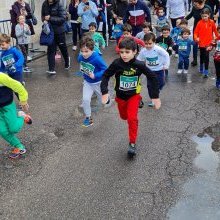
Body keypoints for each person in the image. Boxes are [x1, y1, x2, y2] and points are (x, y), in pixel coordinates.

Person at [101, 38, 161, 157]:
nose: (124, 55)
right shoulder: (117, 63)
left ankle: (132, 144)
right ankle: (138, 102)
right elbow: (106, 75)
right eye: (121, 52)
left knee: (131, 119)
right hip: (120, 96)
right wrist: (104, 92)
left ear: (134, 52)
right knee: (124, 117)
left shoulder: (139, 65)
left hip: (133, 95)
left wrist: (155, 96)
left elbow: (153, 77)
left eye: (127, 52)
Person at [0, 72, 32, 159]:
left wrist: (23, 101)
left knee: (13, 128)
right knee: (2, 131)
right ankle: (18, 146)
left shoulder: (1, 77)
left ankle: (21, 115)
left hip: (8, 106)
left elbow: (18, 86)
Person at [78, 37, 107, 127]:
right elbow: (81, 63)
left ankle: (107, 97)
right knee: (86, 99)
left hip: (98, 83)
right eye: (82, 51)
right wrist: (82, 70)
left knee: (103, 101)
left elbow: (105, 69)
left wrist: (95, 75)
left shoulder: (97, 58)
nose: (84, 54)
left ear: (92, 49)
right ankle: (88, 118)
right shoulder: (80, 57)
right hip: (88, 82)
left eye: (86, 51)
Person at [137, 32, 170, 107]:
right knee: (150, 86)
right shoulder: (143, 50)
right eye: (146, 44)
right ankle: (153, 99)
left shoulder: (158, 49)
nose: (148, 46)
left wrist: (166, 65)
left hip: (159, 69)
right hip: (149, 71)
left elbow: (166, 55)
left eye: (150, 43)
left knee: (160, 83)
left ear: (154, 42)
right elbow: (139, 59)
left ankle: (158, 88)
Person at [41, 0, 70, 75]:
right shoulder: (44, 4)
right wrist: (44, 20)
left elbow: (63, 18)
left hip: (59, 31)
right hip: (50, 32)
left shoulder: (59, 4)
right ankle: (51, 69)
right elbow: (43, 16)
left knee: (62, 48)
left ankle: (67, 60)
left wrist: (50, 18)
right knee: (51, 50)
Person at [185, 0, 213, 66]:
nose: (195, 6)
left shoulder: (208, 8)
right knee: (195, 44)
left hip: (205, 30)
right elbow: (191, 14)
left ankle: (203, 59)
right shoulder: (194, 8)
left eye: (196, 5)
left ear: (201, 4)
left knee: (203, 46)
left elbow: (211, 21)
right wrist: (184, 20)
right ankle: (195, 60)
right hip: (196, 29)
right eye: (194, 4)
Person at [194, 8, 219, 77]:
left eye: (205, 16)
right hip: (201, 43)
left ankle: (206, 71)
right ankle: (201, 65)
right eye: (202, 16)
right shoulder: (199, 23)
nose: (204, 17)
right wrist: (196, 38)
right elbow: (195, 32)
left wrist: (217, 38)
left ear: (209, 15)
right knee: (202, 56)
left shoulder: (211, 22)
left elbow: (215, 32)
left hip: (209, 43)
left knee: (206, 56)